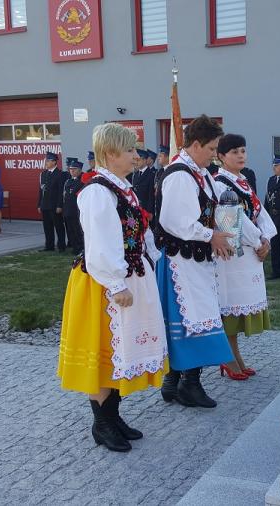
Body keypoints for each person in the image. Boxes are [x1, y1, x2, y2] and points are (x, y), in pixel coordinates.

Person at [57, 122, 167, 453]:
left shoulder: (122, 188)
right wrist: (117, 283)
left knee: (121, 352)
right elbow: (101, 243)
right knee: (104, 351)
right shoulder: (97, 192)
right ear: (110, 154)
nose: (136, 155)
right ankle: (102, 424)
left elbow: (140, 232)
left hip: (127, 275)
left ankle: (113, 417)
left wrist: (153, 261)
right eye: (129, 150)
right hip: (103, 284)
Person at [154, 114, 236, 409]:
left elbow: (217, 206)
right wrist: (210, 235)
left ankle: (175, 382)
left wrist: (227, 233)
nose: (215, 154)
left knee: (195, 318)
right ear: (197, 144)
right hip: (181, 261)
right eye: (212, 148)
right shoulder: (180, 175)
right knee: (193, 320)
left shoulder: (200, 173)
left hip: (195, 260)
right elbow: (175, 221)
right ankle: (188, 384)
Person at [212, 134, 277, 380]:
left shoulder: (243, 181)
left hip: (250, 254)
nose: (241, 155)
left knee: (238, 310)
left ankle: (235, 357)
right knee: (230, 308)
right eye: (234, 152)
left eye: (243, 150)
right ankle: (229, 359)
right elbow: (234, 221)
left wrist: (266, 238)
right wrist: (259, 241)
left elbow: (261, 213)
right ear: (221, 156)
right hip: (233, 255)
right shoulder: (220, 184)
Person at [38, 151, 66, 252]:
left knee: (58, 226)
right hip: (45, 205)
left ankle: (61, 246)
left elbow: (61, 191)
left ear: (54, 162)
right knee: (47, 227)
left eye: (48, 161)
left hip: (54, 205)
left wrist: (59, 205)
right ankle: (49, 245)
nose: (46, 162)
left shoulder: (59, 174)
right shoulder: (43, 174)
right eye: (46, 160)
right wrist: (39, 204)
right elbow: (41, 190)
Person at [62, 158, 84, 254]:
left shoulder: (82, 181)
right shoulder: (68, 181)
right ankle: (75, 248)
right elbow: (64, 196)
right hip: (68, 210)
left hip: (77, 210)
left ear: (79, 170)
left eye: (74, 169)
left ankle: (81, 248)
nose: (72, 171)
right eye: (71, 169)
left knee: (78, 230)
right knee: (70, 230)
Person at [130, 149, 156, 214]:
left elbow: (151, 195)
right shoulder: (135, 174)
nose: (136, 162)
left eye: (138, 160)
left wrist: (150, 212)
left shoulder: (151, 174)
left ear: (144, 160)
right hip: (136, 208)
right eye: (136, 160)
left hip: (145, 209)